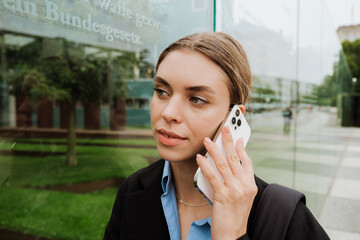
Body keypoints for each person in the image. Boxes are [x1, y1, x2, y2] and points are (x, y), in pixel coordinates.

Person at [103, 32, 330, 240]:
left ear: (234, 116)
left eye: (197, 99)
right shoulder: (133, 190)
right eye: (162, 91)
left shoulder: (284, 216)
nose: (168, 112)